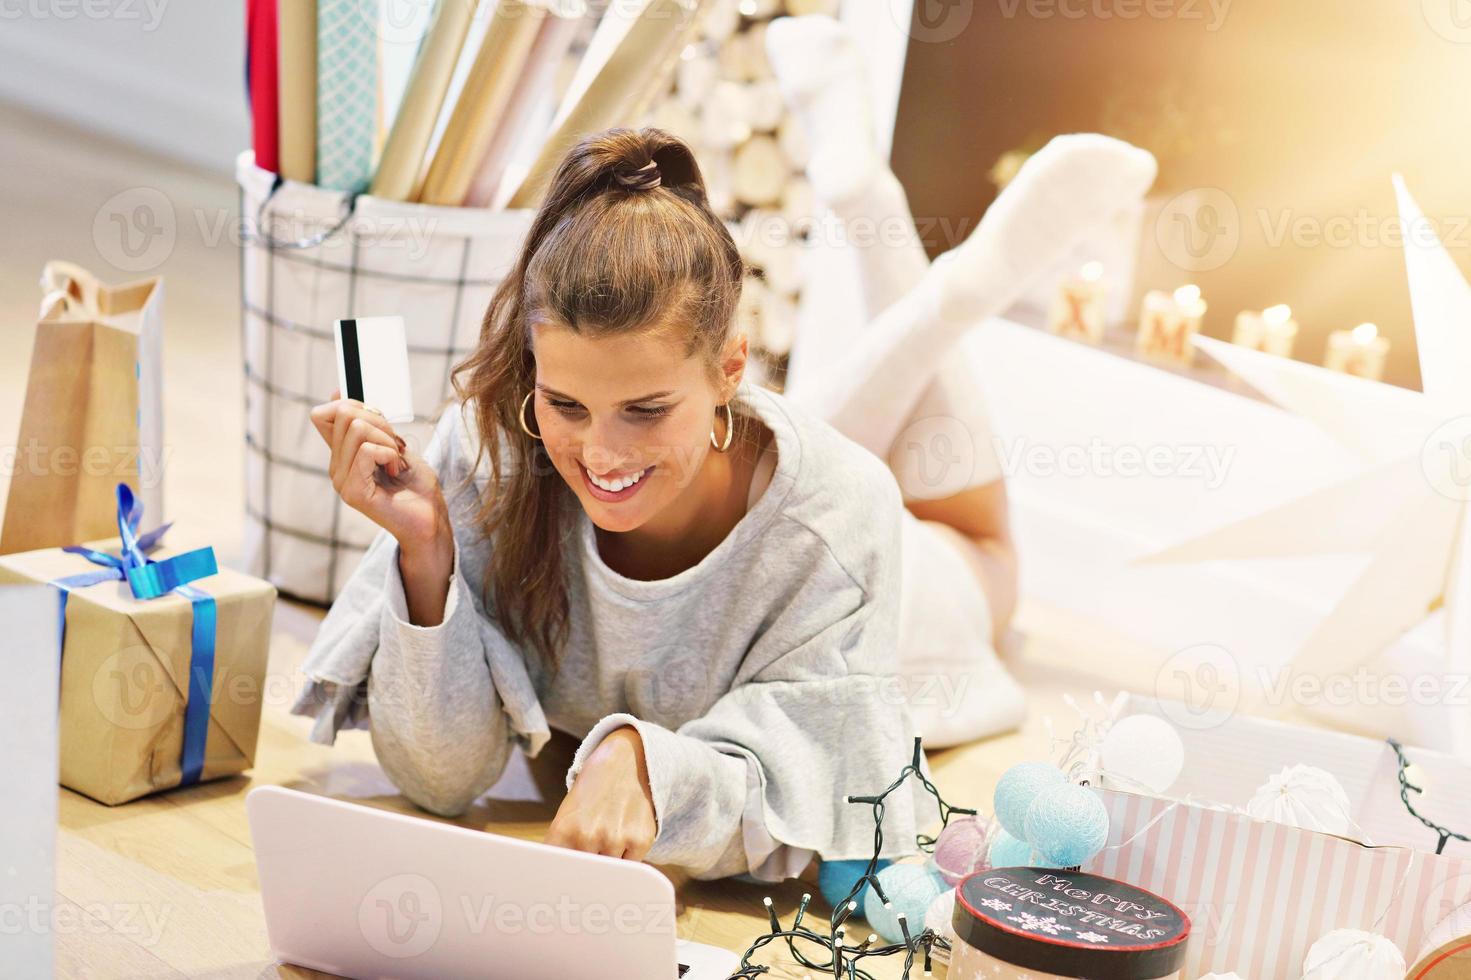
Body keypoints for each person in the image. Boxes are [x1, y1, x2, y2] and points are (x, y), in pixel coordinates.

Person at [293, 120, 1154, 882]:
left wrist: (648, 764)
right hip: (743, 465)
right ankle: (903, 262)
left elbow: (817, 804)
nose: (597, 454)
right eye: (565, 404)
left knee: (983, 556)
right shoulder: (487, 452)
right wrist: (426, 557)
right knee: (739, 454)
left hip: (918, 592)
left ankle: (948, 296)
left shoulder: (838, 519)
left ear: (733, 367)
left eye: (643, 407)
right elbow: (438, 777)